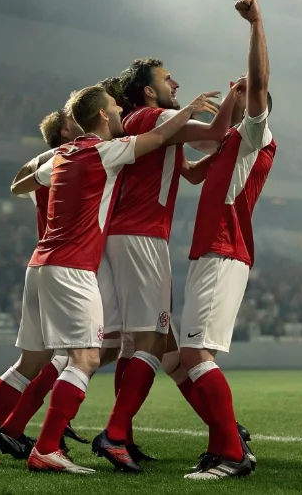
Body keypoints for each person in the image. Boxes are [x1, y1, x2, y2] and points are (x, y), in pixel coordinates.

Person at [0, 85, 215, 474]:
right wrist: (191, 109)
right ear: (101, 116)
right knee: (86, 358)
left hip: (39, 266)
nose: (119, 113)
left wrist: (51, 153)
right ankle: (47, 449)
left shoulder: (62, 155)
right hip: (73, 269)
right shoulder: (105, 152)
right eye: (114, 108)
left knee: (27, 364)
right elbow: (162, 136)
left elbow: (18, 184)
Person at [92, 59, 238, 470]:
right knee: (155, 342)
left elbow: (190, 172)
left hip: (121, 236)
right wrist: (234, 98)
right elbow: (214, 134)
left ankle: (128, 437)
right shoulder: (159, 115)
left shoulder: (143, 120)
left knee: (134, 343)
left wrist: (223, 151)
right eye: (165, 77)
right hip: (142, 237)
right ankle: (116, 432)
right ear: (149, 91)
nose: (175, 81)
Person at [174, 0, 275, 480]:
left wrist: (256, 25)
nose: (235, 92)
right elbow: (187, 171)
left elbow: (259, 84)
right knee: (176, 360)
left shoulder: (255, 135)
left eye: (242, 90)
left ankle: (230, 453)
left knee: (196, 354)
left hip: (225, 249)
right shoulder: (228, 144)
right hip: (205, 252)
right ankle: (228, 440)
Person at [0, 110, 91, 460]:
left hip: (47, 265)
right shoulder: (70, 166)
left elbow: (17, 182)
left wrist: (44, 154)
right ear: (66, 131)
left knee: (56, 356)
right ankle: (27, 431)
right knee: (75, 355)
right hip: (70, 265)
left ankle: (17, 431)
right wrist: (51, 152)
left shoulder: (49, 171)